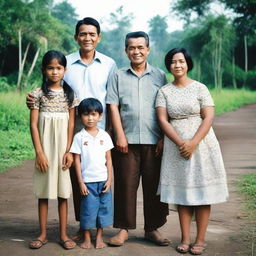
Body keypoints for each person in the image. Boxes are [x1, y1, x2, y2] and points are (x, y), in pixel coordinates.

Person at [26, 17, 117, 236]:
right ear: (76, 37)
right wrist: (33, 98)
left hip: (100, 132)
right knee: (74, 181)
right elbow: (49, 88)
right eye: (83, 34)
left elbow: (113, 98)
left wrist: (113, 131)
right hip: (72, 132)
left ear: (99, 37)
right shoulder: (65, 62)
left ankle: (97, 226)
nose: (87, 38)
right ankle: (82, 226)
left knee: (99, 177)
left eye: (92, 34)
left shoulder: (109, 64)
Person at [155, 47, 229, 255]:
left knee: (202, 193)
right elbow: (162, 119)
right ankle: (186, 238)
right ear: (168, 66)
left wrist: (194, 142)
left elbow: (208, 117)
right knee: (183, 194)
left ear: (188, 64)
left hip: (203, 145)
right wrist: (181, 143)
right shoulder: (164, 91)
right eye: (173, 62)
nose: (177, 65)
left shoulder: (200, 88)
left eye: (181, 61)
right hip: (175, 146)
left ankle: (200, 239)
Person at [106, 31, 170, 246]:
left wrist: (163, 137)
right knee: (125, 185)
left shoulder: (160, 76)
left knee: (154, 187)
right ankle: (124, 229)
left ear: (148, 49)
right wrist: (119, 135)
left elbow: (165, 108)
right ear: (126, 51)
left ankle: (152, 228)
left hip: (154, 141)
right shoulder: (117, 75)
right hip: (126, 141)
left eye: (140, 47)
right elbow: (113, 106)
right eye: (132, 48)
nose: (136, 51)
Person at [29, 50, 79, 250]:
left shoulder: (70, 94)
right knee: (43, 191)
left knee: (62, 192)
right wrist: (39, 153)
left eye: (59, 68)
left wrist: (68, 152)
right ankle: (42, 234)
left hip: (62, 150)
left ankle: (63, 234)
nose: (55, 72)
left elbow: (71, 125)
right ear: (44, 70)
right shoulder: (37, 94)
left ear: (65, 70)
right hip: (45, 149)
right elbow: (33, 125)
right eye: (50, 68)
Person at [70, 98, 114, 249]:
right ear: (80, 116)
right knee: (88, 211)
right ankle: (87, 238)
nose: (90, 118)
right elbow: (76, 161)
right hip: (87, 182)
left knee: (103, 210)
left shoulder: (105, 136)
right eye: (86, 114)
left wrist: (110, 180)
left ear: (100, 116)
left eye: (94, 114)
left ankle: (99, 238)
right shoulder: (79, 137)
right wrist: (80, 182)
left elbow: (109, 160)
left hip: (103, 181)